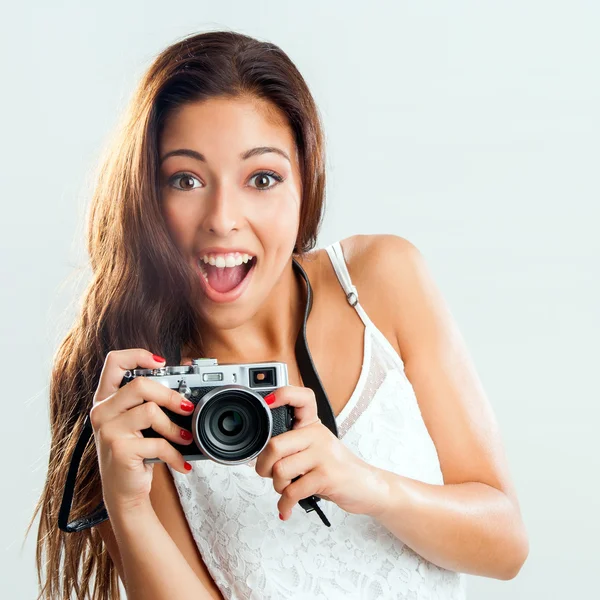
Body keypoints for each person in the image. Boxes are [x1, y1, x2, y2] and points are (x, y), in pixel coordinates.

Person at [31, 30, 528, 600]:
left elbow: (506, 544)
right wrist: (128, 508)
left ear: (304, 185)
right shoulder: (132, 381)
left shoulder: (380, 280)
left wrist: (364, 484)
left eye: (261, 179)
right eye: (186, 180)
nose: (223, 218)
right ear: (146, 195)